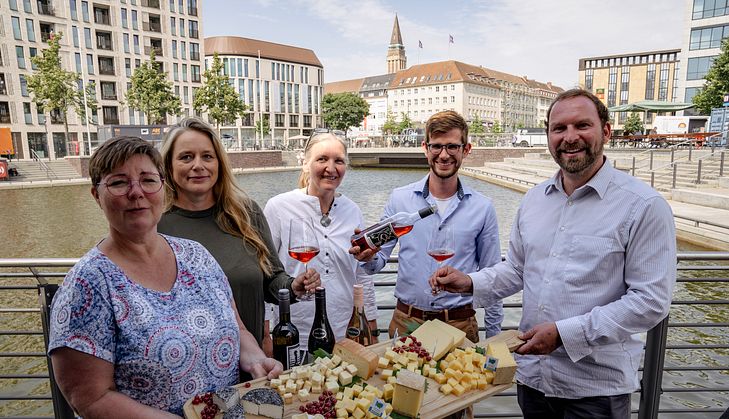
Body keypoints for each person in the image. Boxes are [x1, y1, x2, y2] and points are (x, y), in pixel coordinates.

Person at [432, 89, 677, 418]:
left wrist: (565, 334)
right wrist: (469, 283)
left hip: (594, 390)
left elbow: (650, 302)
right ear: (548, 135)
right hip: (533, 378)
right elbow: (517, 271)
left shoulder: (643, 206)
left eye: (582, 126)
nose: (570, 137)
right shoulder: (534, 200)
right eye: (559, 128)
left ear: (605, 131)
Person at [48, 136, 282, 417]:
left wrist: (256, 359)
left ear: (162, 186)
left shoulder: (196, 255)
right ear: (97, 195)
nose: (136, 192)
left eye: (147, 180)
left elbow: (238, 329)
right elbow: (91, 399)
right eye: (119, 182)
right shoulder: (87, 286)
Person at [157, 117, 320, 364]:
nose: (198, 165)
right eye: (186, 157)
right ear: (168, 165)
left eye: (207, 157)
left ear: (220, 164)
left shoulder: (245, 213)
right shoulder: (156, 224)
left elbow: (272, 278)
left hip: (250, 364)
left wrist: (293, 287)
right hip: (187, 368)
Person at [351, 110, 503, 343]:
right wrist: (367, 257)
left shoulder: (483, 207)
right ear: (425, 148)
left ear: (466, 150)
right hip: (407, 322)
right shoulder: (399, 199)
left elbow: (492, 276)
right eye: (437, 146)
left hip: (460, 324)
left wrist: (495, 340)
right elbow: (377, 263)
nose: (444, 155)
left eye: (452, 147)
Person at [263, 132, 378, 355]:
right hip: (294, 336)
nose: (331, 168)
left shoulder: (352, 210)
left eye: (339, 161)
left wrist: (371, 326)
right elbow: (265, 273)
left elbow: (361, 274)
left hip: (344, 332)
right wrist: (265, 334)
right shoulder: (278, 208)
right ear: (305, 164)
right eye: (322, 159)